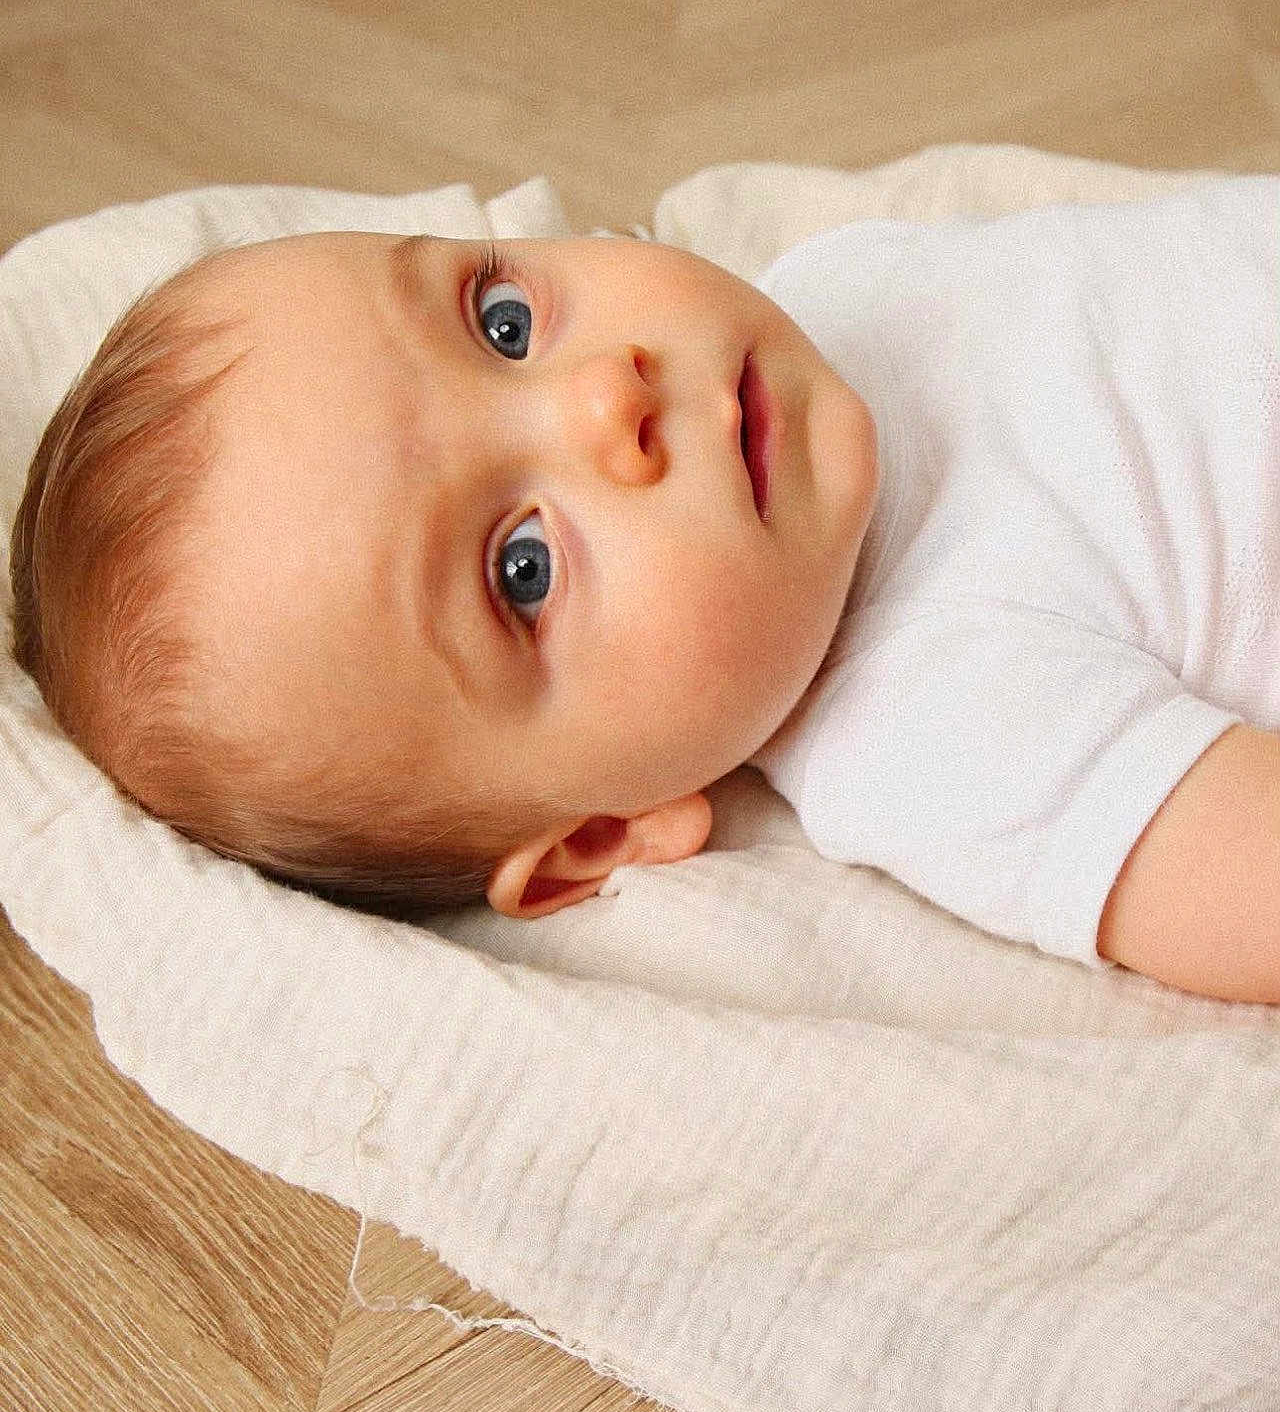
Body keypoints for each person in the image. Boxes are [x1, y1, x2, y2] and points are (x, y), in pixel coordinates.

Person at [9, 176, 1280, 1004]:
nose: (607, 396)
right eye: (523, 568)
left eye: (502, 322)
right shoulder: (935, 729)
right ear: (603, 831)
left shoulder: (829, 283)